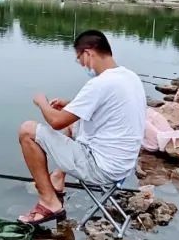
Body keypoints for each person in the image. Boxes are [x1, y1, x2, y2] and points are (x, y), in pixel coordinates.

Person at [17, 30, 147, 225]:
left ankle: (49, 202)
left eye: (79, 59)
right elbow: (106, 108)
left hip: (101, 169)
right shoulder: (129, 77)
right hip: (123, 166)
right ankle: (57, 179)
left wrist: (41, 102)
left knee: (27, 130)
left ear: (88, 53)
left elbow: (56, 122)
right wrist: (70, 105)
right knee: (74, 122)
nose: (81, 64)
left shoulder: (100, 84)